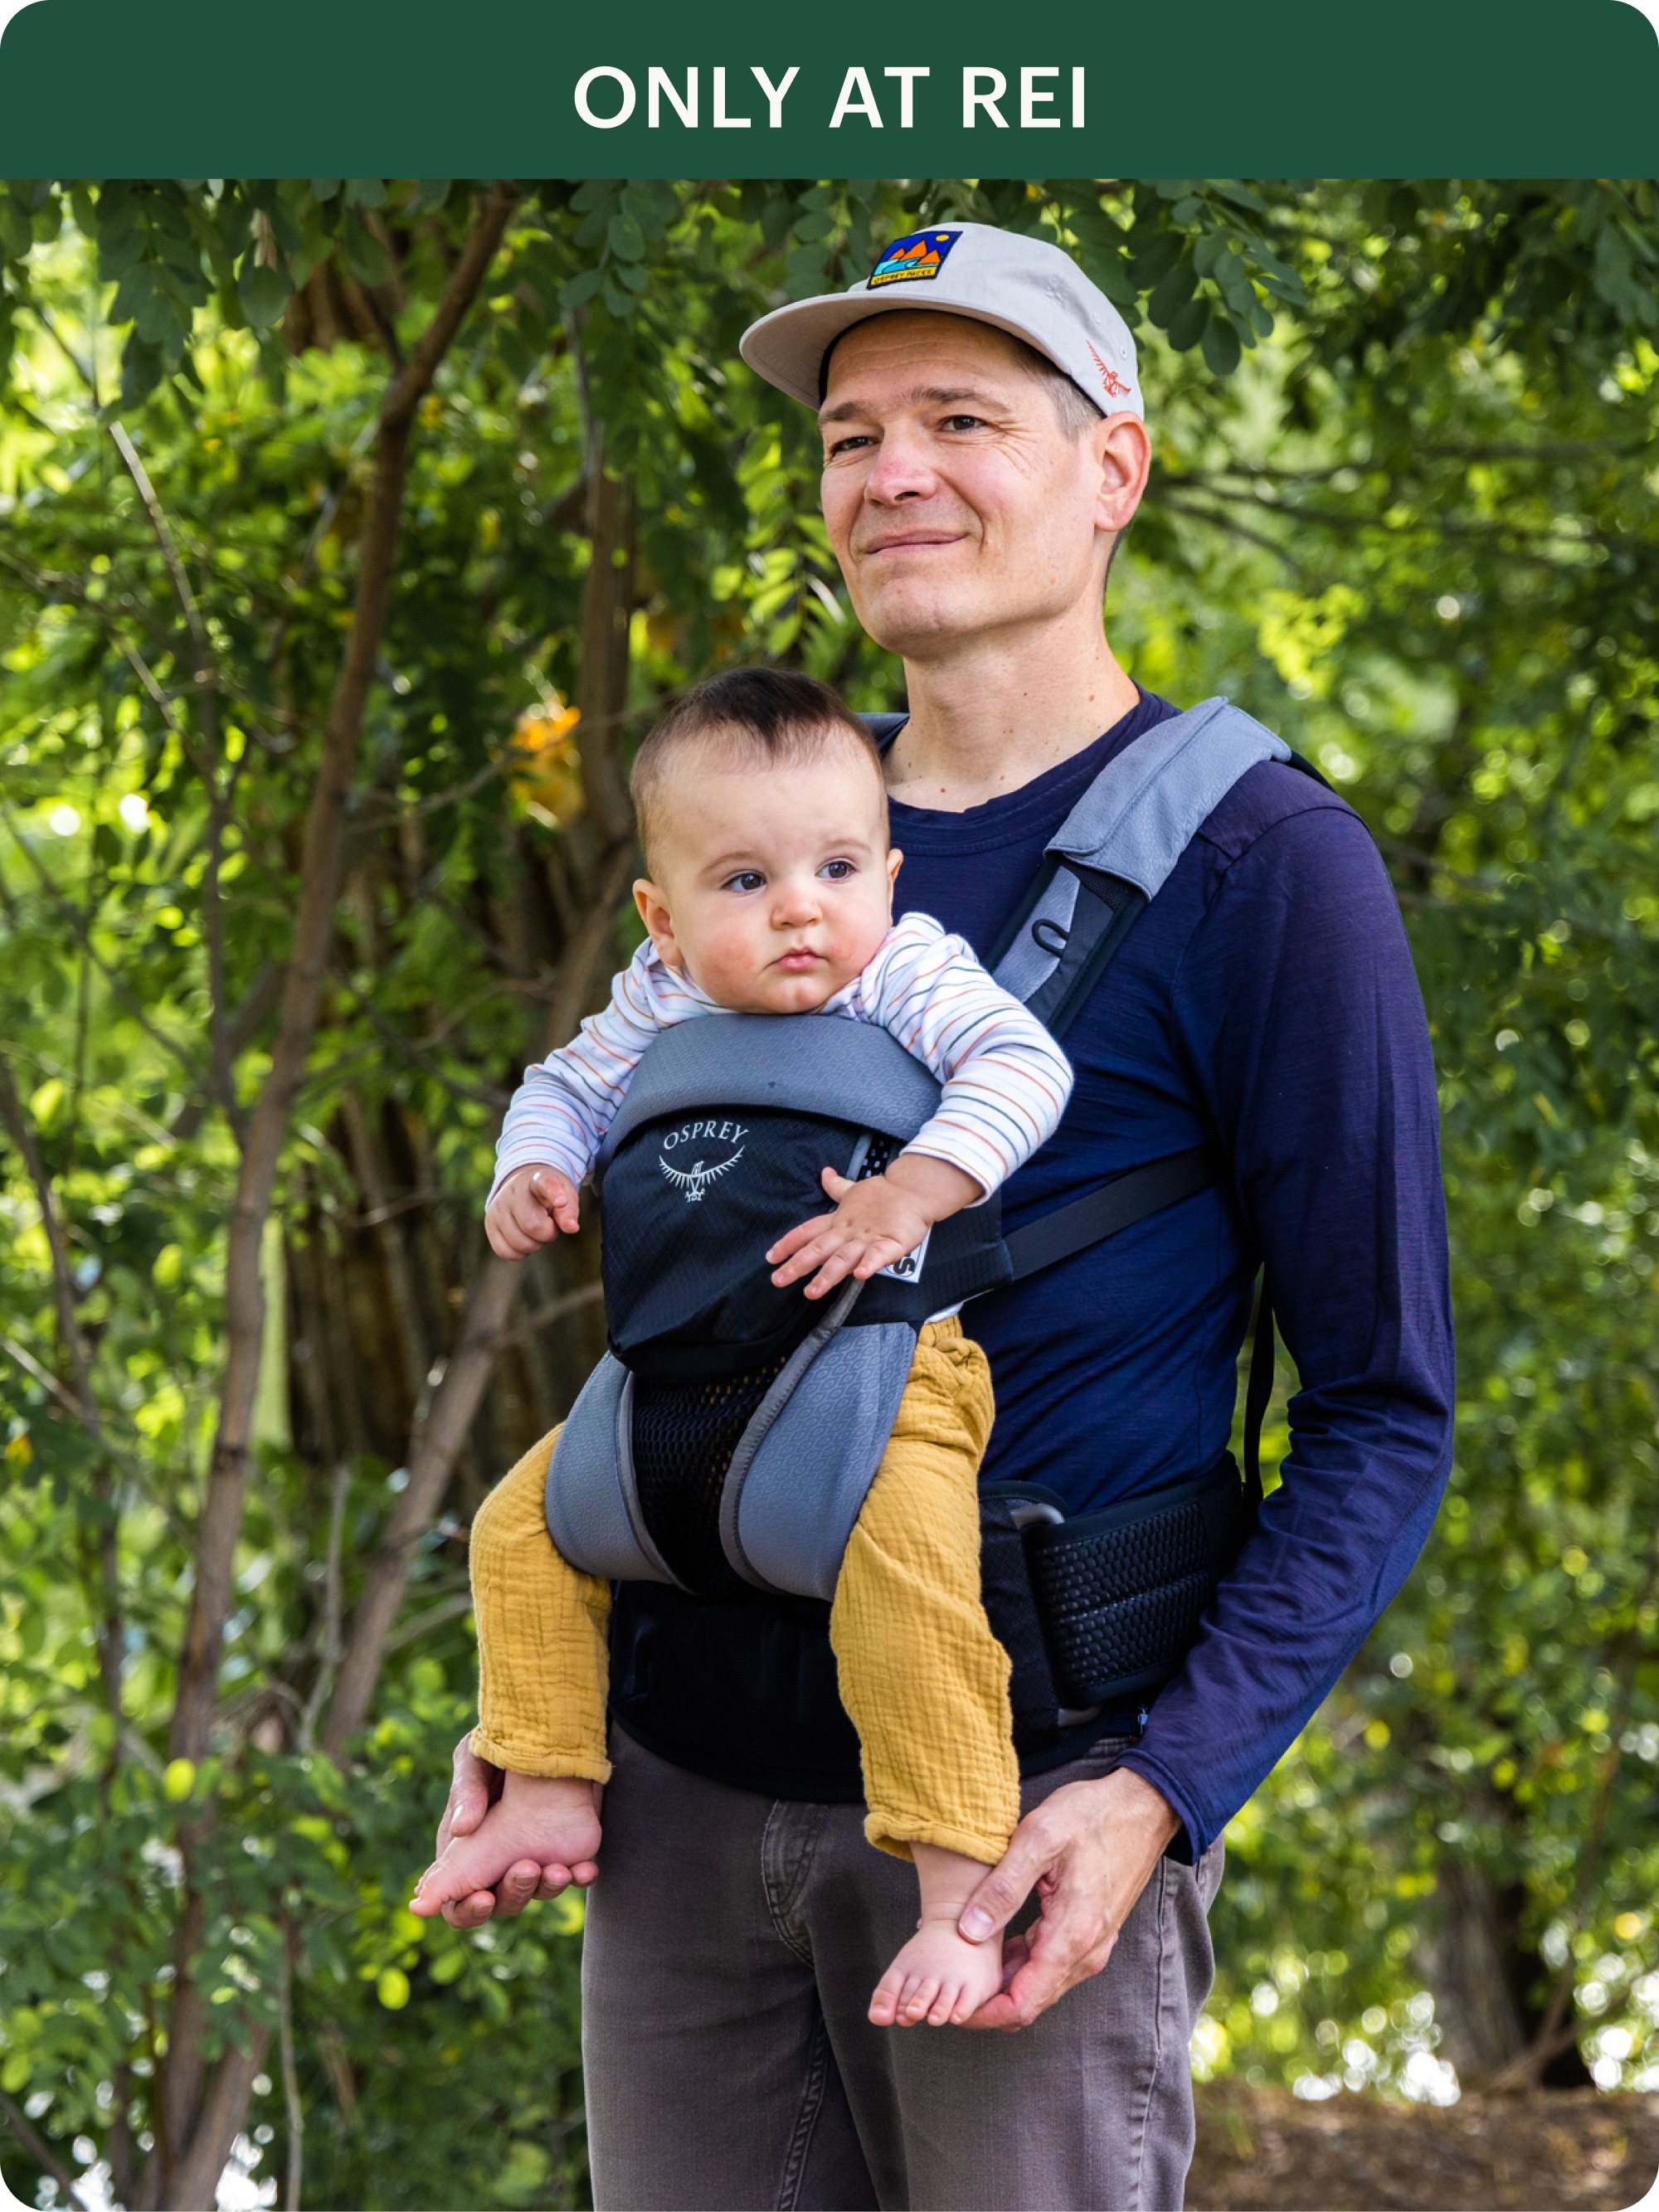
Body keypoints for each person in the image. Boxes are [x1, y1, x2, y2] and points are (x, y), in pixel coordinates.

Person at [431, 221, 1455, 2210]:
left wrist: (1159, 1796)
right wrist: (543, 1717)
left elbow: (1383, 1412)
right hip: (678, 1798)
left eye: (961, 418)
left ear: (1113, 470)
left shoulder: (1261, 866)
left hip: (1016, 1820)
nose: (890, 471)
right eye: (849, 434)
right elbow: (679, 1280)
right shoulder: (763, 830)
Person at [411, 668, 1076, 2030]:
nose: (798, 909)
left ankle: (958, 1893)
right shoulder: (659, 1001)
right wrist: (530, 1172)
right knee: (517, 1530)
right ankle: (544, 1779)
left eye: (838, 866)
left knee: (912, 1593)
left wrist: (912, 1195)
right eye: (744, 881)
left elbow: (1025, 1069)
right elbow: (562, 1086)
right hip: (680, 1380)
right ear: (662, 915)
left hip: (884, 1374)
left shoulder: (903, 972)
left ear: (888, 871)